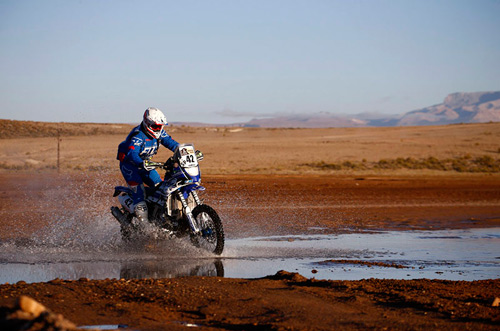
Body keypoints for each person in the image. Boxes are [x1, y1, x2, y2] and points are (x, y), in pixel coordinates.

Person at [117, 107, 179, 223]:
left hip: (146, 165)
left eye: (160, 126)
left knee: (160, 187)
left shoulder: (159, 132)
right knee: (139, 193)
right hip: (130, 166)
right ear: (147, 123)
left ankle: (157, 215)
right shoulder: (138, 135)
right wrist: (141, 163)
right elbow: (132, 153)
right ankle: (143, 224)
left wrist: (184, 151)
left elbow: (172, 143)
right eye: (156, 126)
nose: (158, 129)